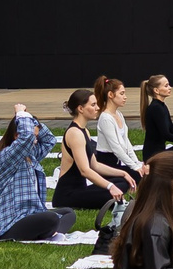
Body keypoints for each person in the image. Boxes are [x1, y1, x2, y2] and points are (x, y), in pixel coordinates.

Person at [55, 88, 142, 241]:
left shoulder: (84, 131)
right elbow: (85, 170)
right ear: (80, 109)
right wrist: (110, 186)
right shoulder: (74, 133)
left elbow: (95, 165)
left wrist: (123, 173)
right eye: (93, 105)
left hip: (80, 190)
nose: (97, 108)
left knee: (122, 182)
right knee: (117, 188)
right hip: (67, 195)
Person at [0, 106, 68, 241]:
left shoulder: (30, 155)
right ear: (17, 136)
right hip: (9, 223)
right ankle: (46, 231)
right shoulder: (6, 157)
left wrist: (31, 119)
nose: (35, 141)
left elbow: (49, 140)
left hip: (29, 214)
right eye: (34, 137)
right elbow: (27, 137)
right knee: (51, 218)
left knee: (68, 214)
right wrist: (21, 115)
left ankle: (44, 231)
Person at [92, 77, 144, 175]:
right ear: (110, 95)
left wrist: (137, 163)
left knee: (145, 174)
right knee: (140, 177)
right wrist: (134, 167)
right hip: (107, 164)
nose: (125, 97)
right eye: (122, 93)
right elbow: (115, 147)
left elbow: (126, 141)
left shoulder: (118, 114)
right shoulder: (106, 118)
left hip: (117, 162)